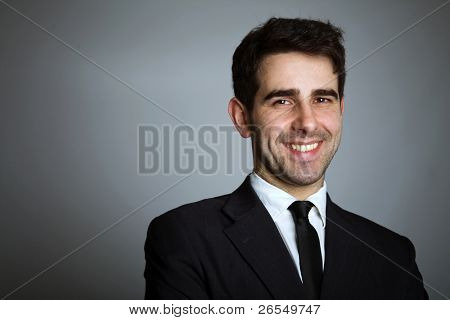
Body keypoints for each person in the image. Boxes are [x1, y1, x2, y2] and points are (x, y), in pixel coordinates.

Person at [144, 17, 428, 299]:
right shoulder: (185, 236)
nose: (307, 123)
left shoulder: (393, 253)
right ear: (242, 118)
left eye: (322, 99)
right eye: (283, 101)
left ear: (341, 109)